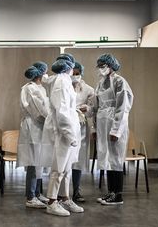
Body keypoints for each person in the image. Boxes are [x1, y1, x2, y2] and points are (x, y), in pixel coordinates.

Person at [40, 58, 84, 217]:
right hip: (63, 131)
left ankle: (64, 198)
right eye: (73, 67)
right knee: (58, 168)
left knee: (67, 168)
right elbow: (62, 111)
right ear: (68, 67)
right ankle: (52, 202)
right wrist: (70, 134)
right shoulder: (61, 82)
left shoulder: (64, 80)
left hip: (69, 130)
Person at [92, 54, 133, 205]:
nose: (101, 68)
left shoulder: (119, 81)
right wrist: (94, 128)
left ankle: (118, 195)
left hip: (115, 125)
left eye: (103, 65)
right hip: (103, 125)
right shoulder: (100, 83)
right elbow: (96, 108)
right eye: (100, 65)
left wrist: (116, 130)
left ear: (111, 65)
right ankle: (111, 193)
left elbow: (123, 108)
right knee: (107, 159)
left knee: (115, 159)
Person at [17, 62, 50, 208]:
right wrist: (52, 119)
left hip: (40, 128)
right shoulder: (30, 89)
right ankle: (30, 197)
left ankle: (37, 193)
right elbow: (39, 110)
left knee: (40, 161)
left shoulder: (40, 88)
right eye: (45, 73)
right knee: (33, 162)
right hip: (33, 128)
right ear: (40, 74)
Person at [70, 62, 95, 202]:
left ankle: (76, 191)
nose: (74, 76)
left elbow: (92, 110)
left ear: (81, 73)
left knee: (77, 161)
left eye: (77, 73)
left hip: (81, 127)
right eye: (72, 74)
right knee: (64, 160)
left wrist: (88, 109)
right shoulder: (64, 87)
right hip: (66, 127)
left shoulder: (89, 90)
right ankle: (62, 193)